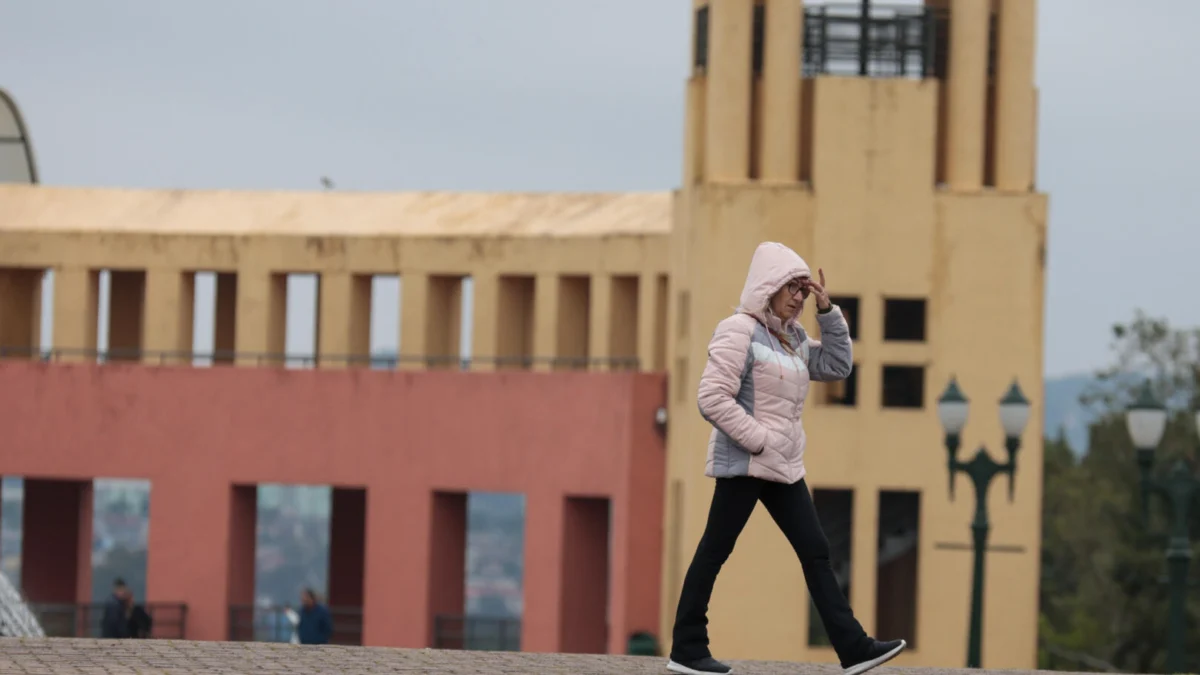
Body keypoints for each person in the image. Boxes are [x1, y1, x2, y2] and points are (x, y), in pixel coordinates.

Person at [667, 242, 906, 675]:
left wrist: (828, 312)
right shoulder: (738, 330)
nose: (798, 297)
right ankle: (687, 649)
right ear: (768, 286)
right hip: (746, 463)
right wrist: (759, 441)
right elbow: (712, 398)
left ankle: (853, 648)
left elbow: (837, 366)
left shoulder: (793, 338)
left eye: (803, 289)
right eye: (791, 288)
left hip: (783, 466)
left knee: (816, 550)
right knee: (715, 550)